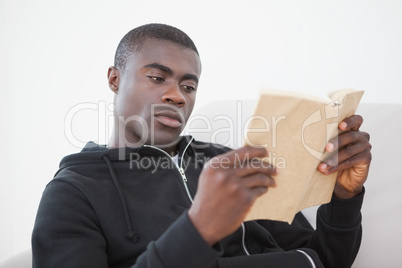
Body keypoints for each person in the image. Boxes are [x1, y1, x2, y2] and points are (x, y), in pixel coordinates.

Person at [32, 23, 372, 268]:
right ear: (114, 79)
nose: (176, 95)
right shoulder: (73, 192)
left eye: (189, 85)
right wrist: (199, 228)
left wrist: (343, 199)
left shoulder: (228, 164)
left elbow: (323, 260)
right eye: (157, 78)